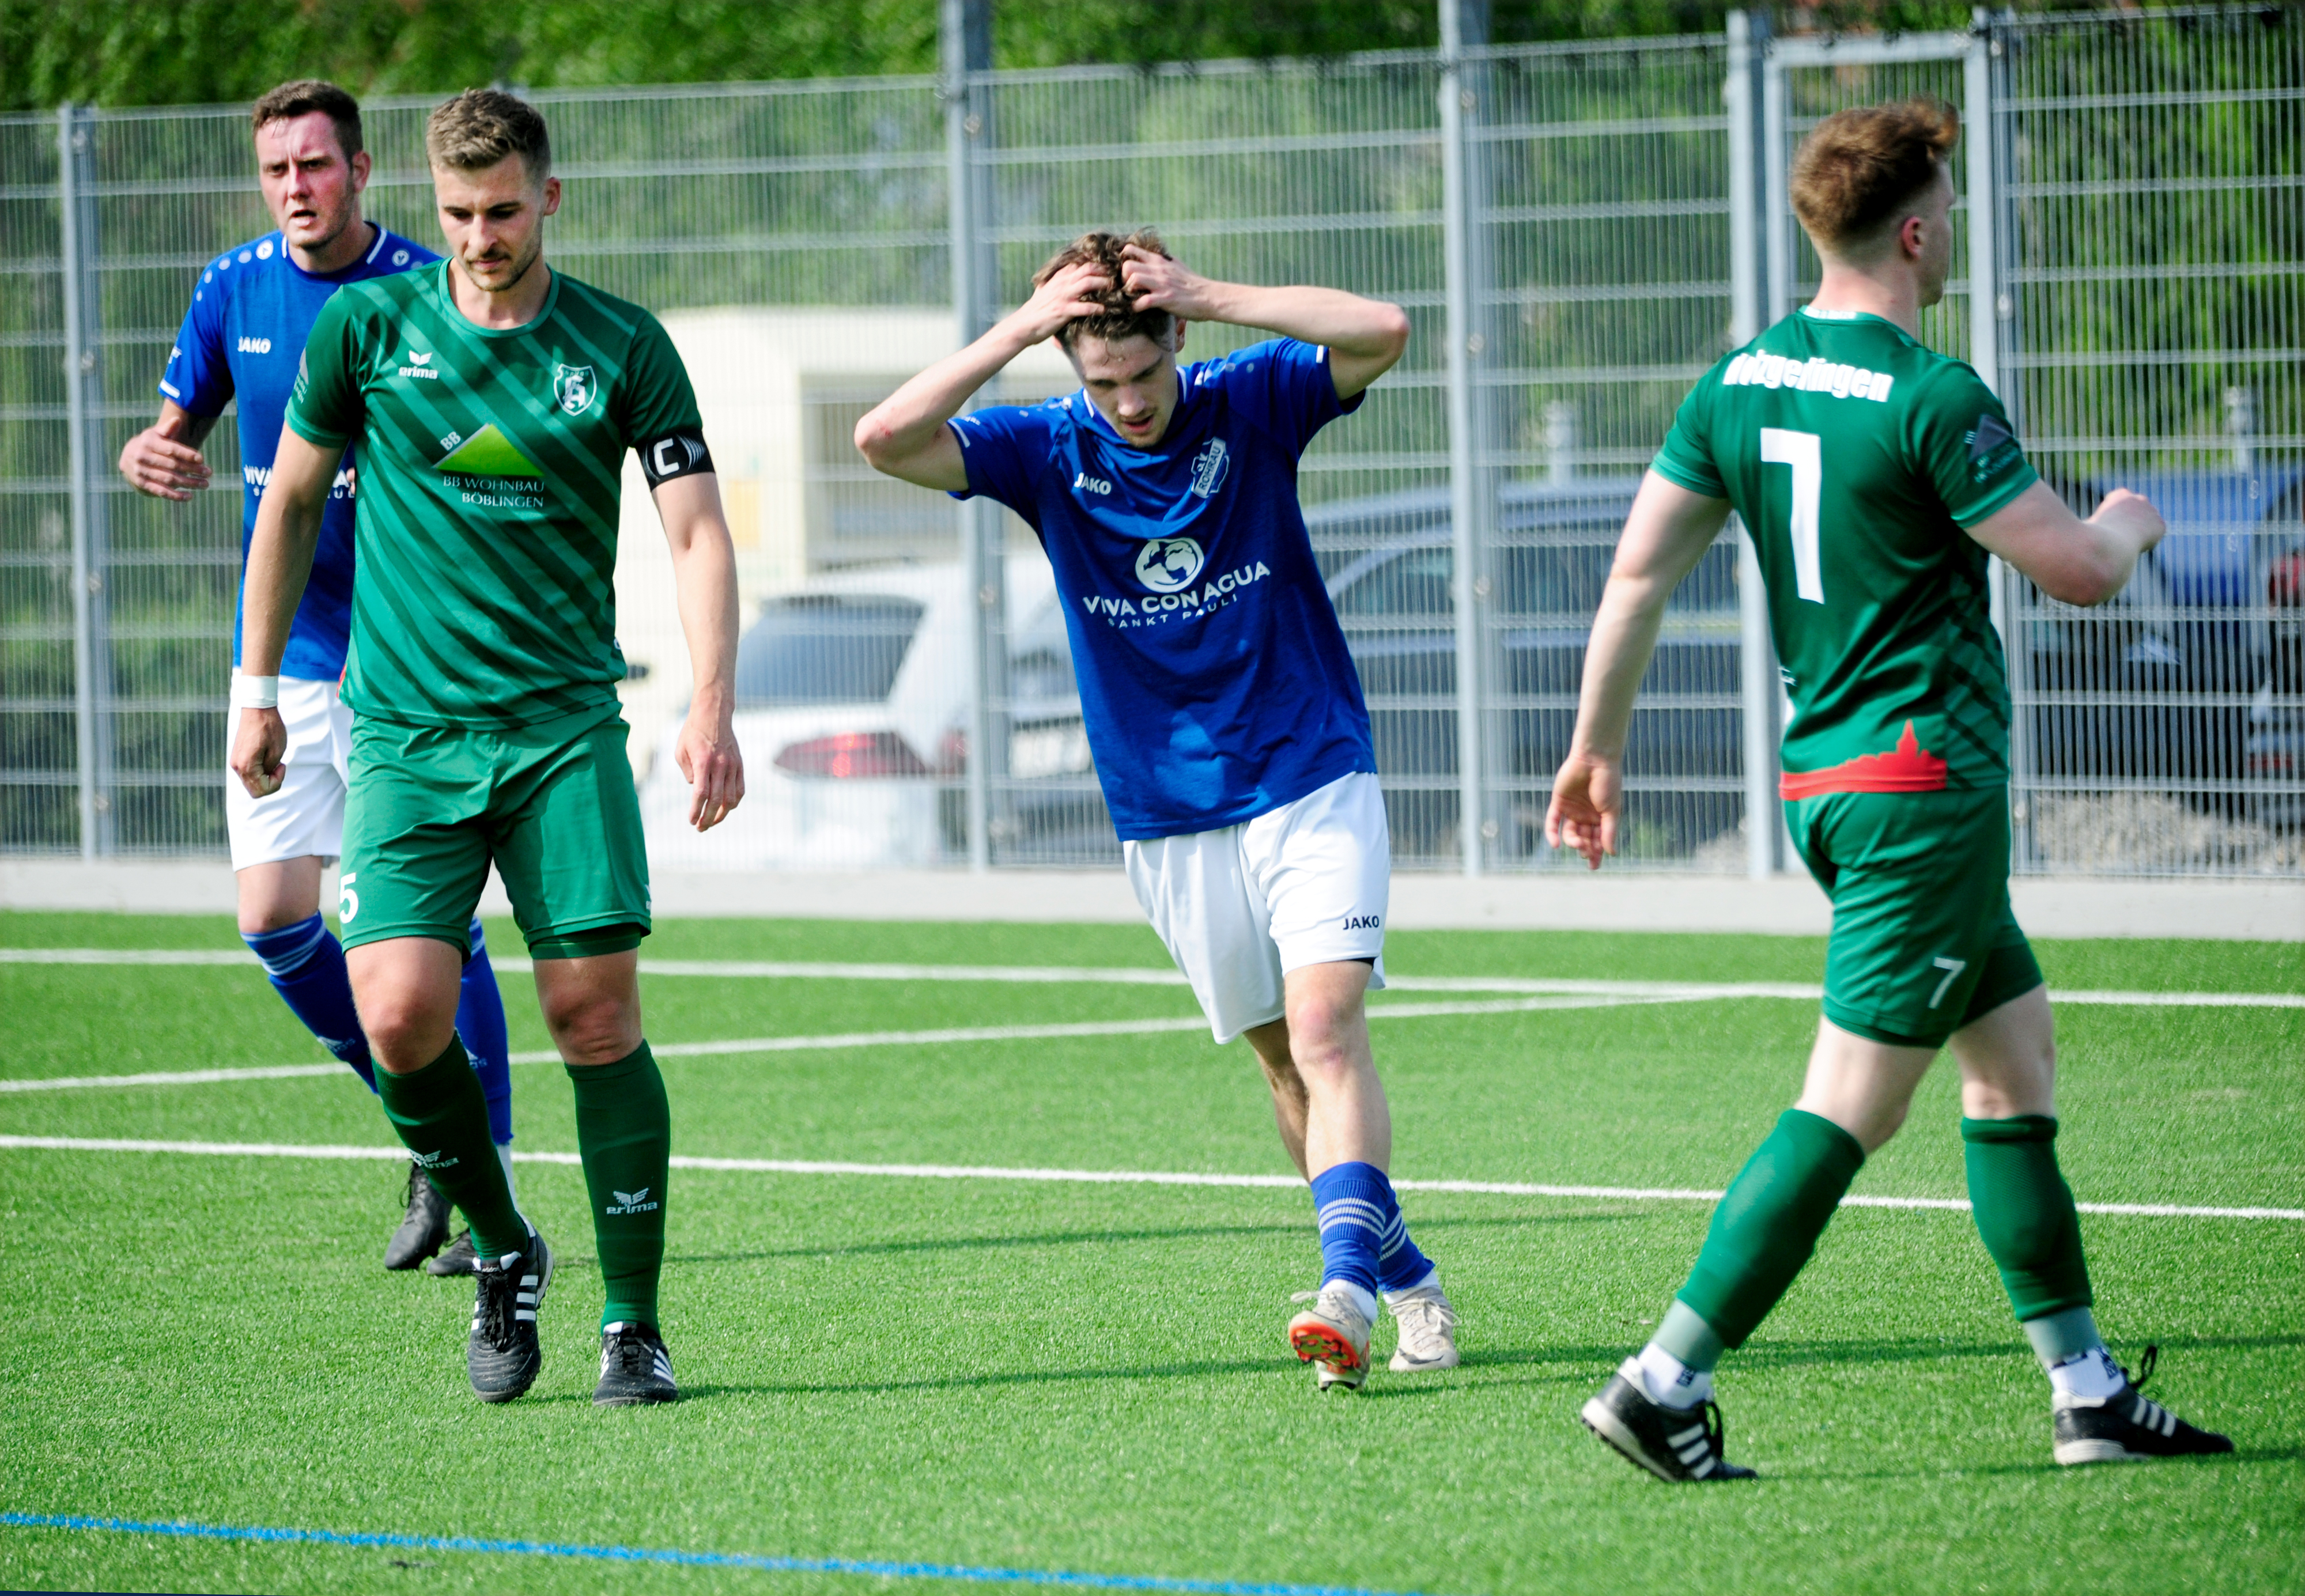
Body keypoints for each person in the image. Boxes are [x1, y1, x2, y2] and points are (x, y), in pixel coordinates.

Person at [1548, 97, 2232, 1478]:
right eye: (1950, 213)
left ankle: (2085, 1387)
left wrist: (1592, 746)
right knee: (1851, 1102)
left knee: (2013, 1062)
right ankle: (1659, 1378)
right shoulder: (1932, 396)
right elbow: (2082, 572)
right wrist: (2136, 513)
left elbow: (1633, 576)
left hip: (1831, 782)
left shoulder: (1733, 382)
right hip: (1925, 787)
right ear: (1915, 229)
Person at [855, 230, 1457, 1391]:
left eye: (1143, 370)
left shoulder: (1253, 397)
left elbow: (1383, 330)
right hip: (1166, 808)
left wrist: (1216, 294)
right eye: (1102, 380)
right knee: (1285, 1066)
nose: (1128, 402)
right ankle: (1399, 1268)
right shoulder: (1041, 446)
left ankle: (1341, 1292)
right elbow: (881, 440)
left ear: (1176, 334)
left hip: (1308, 765)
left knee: (1327, 1029)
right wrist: (1018, 332)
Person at [231, 89, 744, 1407]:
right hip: (403, 734)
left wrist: (708, 704)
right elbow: (289, 501)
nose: (478, 236)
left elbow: (694, 531)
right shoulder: (367, 330)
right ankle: (507, 1244)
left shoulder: (621, 345)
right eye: (457, 213)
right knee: (397, 1014)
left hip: (563, 731)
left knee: (592, 1016)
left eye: (503, 210)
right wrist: (255, 684)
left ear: (549, 199)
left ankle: (632, 1320)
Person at [119, 79, 514, 1276]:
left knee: (425, 927)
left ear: (361, 169)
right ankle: (426, 1128)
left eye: (317, 166)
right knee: (275, 919)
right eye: (279, 169)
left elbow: (494, 446)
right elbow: (176, 428)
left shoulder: (417, 289)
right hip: (280, 653)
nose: (297, 188)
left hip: (403, 659)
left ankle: (477, 1167)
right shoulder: (232, 283)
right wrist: (154, 452)